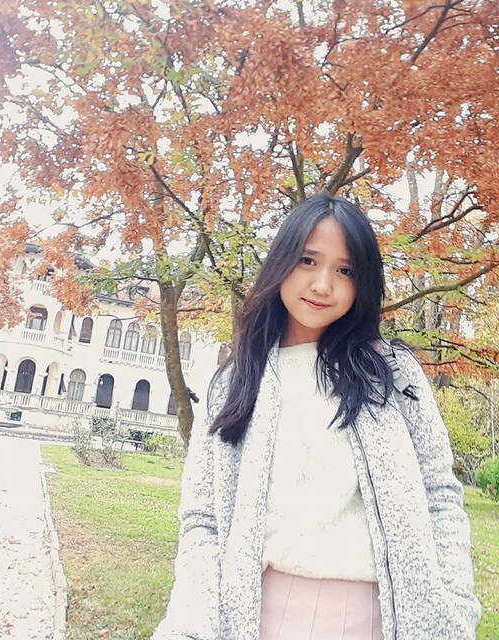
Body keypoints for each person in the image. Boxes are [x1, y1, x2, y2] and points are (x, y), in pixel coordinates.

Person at [152, 193, 481, 640]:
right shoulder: (235, 383)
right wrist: (190, 625)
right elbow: (203, 520)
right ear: (281, 261)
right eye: (308, 260)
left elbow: (439, 495)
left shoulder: (392, 374)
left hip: (378, 620)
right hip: (256, 618)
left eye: (345, 270)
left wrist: (455, 613)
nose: (323, 285)